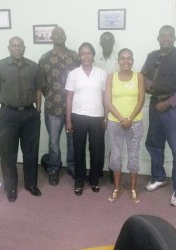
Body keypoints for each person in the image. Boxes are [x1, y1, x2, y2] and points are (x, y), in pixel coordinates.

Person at [141, 25, 176, 207]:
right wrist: (147, 85)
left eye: (170, 35)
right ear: (158, 38)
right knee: (154, 144)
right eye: (163, 35)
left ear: (174, 37)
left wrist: (168, 103)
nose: (166, 38)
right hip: (155, 104)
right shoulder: (152, 56)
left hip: (175, 107)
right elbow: (142, 76)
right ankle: (159, 177)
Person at [0, 36, 43, 202]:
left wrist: (38, 110)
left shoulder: (34, 67)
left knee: (31, 152)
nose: (17, 48)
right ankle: (11, 188)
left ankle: (31, 184)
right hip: (7, 115)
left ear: (24, 48)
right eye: (14, 46)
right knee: (8, 154)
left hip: (29, 114)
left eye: (20, 45)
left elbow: (38, 90)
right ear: (9, 48)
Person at [39, 26, 80, 186]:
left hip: (74, 107)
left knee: (72, 140)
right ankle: (54, 169)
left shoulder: (75, 57)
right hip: (53, 108)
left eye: (61, 33)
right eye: (55, 34)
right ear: (51, 38)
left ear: (65, 36)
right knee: (54, 142)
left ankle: (72, 167)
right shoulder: (44, 58)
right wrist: (52, 95)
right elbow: (41, 84)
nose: (58, 36)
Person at [65, 42, 106, 196]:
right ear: (79, 56)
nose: (86, 56)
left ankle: (94, 179)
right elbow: (69, 98)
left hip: (97, 116)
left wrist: (107, 116)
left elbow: (105, 97)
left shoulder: (102, 73)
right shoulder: (73, 74)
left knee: (97, 150)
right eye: (83, 53)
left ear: (93, 55)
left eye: (89, 53)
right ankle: (79, 181)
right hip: (78, 116)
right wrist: (68, 120)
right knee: (78, 150)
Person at [105, 48, 145, 203]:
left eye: (129, 58)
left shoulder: (138, 77)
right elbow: (107, 101)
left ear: (133, 61)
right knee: (115, 155)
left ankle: (133, 188)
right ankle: (117, 187)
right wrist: (122, 118)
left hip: (135, 123)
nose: (126, 61)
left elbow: (141, 100)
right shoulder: (111, 77)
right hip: (115, 123)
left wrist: (130, 118)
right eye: (122, 58)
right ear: (118, 61)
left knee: (133, 154)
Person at [94, 32, 119, 183]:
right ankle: (97, 170)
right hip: (96, 103)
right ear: (100, 42)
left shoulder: (120, 58)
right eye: (104, 40)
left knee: (113, 140)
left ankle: (112, 168)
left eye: (110, 40)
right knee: (98, 139)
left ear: (114, 41)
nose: (107, 43)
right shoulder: (94, 58)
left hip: (115, 104)